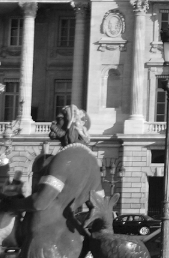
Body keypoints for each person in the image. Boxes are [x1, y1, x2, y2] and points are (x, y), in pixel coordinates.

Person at [11, 105, 105, 258]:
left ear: (73, 126)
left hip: (44, 241)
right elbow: (101, 208)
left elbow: (40, 203)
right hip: (75, 241)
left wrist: (14, 204)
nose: (53, 123)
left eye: (60, 120)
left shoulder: (64, 158)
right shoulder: (93, 163)